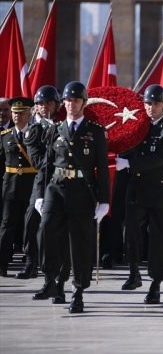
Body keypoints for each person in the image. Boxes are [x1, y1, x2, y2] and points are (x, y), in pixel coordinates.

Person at [32, 81, 110, 314]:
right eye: (67, 100)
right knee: (46, 230)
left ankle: (78, 291)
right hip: (55, 189)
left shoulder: (95, 132)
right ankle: (51, 280)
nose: (71, 104)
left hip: (81, 193)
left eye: (75, 100)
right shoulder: (55, 130)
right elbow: (46, 166)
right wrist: (39, 194)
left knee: (79, 244)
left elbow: (102, 169)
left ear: (84, 103)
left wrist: (104, 200)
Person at [116, 85, 163, 304]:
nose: (150, 108)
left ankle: (156, 283)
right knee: (131, 232)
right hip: (137, 189)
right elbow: (123, 143)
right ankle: (134, 272)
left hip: (160, 192)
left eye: (155, 104)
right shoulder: (137, 126)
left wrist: (129, 163)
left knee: (159, 240)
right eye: (147, 104)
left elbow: (159, 159)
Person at [17, 86, 61, 280]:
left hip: (62, 180)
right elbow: (37, 162)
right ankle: (31, 262)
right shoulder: (34, 131)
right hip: (43, 181)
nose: (44, 107)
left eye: (48, 103)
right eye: (40, 104)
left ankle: (58, 264)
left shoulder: (63, 126)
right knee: (31, 221)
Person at [0, 97, 36, 277]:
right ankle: (2, 262)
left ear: (29, 114)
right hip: (10, 185)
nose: (17, 116)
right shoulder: (5, 135)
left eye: (21, 113)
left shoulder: (37, 134)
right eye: (14, 113)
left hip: (31, 185)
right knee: (7, 224)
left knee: (30, 226)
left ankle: (30, 262)